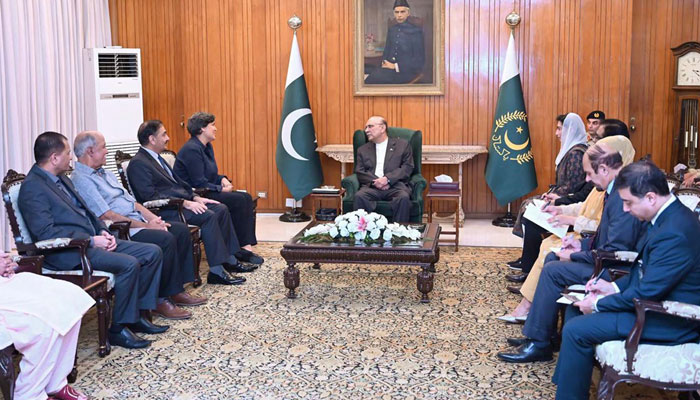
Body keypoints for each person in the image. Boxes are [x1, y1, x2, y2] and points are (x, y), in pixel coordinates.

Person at [552, 160, 700, 400]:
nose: (625, 210)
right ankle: (568, 388)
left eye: (629, 202)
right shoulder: (666, 217)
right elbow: (642, 269)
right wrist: (610, 286)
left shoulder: (676, 231)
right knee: (575, 310)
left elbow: (646, 292)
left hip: (669, 319)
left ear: (651, 197)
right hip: (651, 305)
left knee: (576, 328)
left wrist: (599, 304)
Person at [497, 140, 646, 363]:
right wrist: (580, 246)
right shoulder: (611, 191)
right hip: (601, 258)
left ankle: (539, 343)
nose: (586, 180)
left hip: (611, 270)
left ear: (604, 169)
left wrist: (576, 254)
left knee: (553, 269)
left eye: (589, 173)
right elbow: (602, 238)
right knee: (552, 257)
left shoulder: (621, 197)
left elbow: (615, 249)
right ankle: (544, 335)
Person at [18, 131, 166, 350]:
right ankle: (118, 329)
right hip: (68, 253)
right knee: (128, 264)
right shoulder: (33, 188)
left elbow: (87, 212)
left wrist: (102, 232)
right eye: (68, 153)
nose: (71, 157)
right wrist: (91, 240)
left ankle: (137, 316)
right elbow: (46, 234)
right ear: (54, 158)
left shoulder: (61, 178)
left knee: (152, 252)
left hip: (91, 241)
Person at [71, 131, 208, 320]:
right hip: (121, 230)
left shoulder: (106, 173)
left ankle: (175, 290)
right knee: (166, 239)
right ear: (90, 151)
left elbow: (133, 203)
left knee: (180, 230)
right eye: (103, 147)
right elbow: (107, 215)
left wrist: (153, 219)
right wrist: (146, 227)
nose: (107, 151)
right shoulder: (82, 180)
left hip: (137, 221)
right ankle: (160, 300)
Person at [126, 120, 252, 286]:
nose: (168, 138)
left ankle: (229, 259)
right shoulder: (138, 163)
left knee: (220, 208)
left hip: (181, 202)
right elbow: (149, 196)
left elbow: (179, 184)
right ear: (152, 139)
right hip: (165, 210)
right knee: (207, 216)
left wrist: (195, 197)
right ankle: (216, 271)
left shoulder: (159, 158)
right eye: (163, 134)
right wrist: (185, 202)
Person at [0, 253, 93, 400]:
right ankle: (28, 394)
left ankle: (57, 382)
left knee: (71, 297)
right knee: (41, 323)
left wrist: (8, 261)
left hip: (7, 280)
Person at [174, 112, 262, 265]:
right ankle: (240, 248)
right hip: (196, 194)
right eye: (212, 125)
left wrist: (222, 178)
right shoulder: (191, 149)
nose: (216, 128)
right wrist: (220, 189)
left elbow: (211, 174)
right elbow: (198, 182)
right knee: (240, 200)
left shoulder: (207, 147)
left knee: (245, 197)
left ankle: (244, 246)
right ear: (202, 129)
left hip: (207, 190)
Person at [510, 113, 590, 242]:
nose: (556, 133)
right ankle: (528, 256)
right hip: (562, 196)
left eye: (559, 129)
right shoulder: (571, 150)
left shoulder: (576, 154)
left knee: (529, 208)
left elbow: (573, 186)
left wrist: (556, 196)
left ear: (570, 130)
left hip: (570, 200)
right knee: (528, 205)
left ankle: (529, 258)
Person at [352, 115, 414, 222]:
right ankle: (365, 232)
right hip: (371, 187)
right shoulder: (363, 149)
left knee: (403, 197)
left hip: (395, 186)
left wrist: (387, 179)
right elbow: (360, 171)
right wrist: (376, 182)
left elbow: (407, 167)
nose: (366, 130)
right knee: (359, 196)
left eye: (370, 126)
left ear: (382, 128)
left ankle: (399, 233)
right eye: (366, 127)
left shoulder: (402, 145)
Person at [364, 0, 425, 84]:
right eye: (396, 12)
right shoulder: (392, 30)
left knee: (370, 80)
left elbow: (419, 61)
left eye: (402, 12)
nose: (399, 15)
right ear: (394, 13)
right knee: (366, 72)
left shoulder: (416, 31)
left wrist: (395, 66)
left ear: (408, 13)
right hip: (388, 68)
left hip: (405, 72)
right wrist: (384, 62)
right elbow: (387, 50)